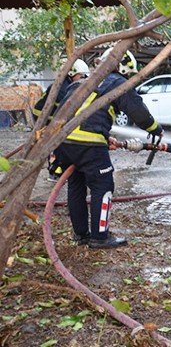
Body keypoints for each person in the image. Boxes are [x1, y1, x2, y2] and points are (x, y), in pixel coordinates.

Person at [54, 49, 164, 249]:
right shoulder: (117, 82)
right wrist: (155, 129)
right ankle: (99, 237)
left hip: (65, 142)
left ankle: (81, 235)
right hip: (90, 146)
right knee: (102, 187)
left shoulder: (82, 82)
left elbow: (73, 113)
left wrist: (104, 137)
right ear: (123, 67)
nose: (128, 77)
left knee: (76, 185)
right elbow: (137, 110)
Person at [32, 59, 90, 182]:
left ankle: (59, 169)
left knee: (59, 142)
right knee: (53, 144)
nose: (83, 78)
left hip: (53, 117)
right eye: (81, 75)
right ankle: (54, 172)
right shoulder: (63, 88)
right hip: (44, 118)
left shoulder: (67, 84)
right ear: (71, 74)